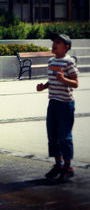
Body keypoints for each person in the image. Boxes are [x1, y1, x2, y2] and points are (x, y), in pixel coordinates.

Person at [36, 34, 79, 180]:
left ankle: (68, 167)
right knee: (52, 136)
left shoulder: (69, 62)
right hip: (53, 102)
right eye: (54, 41)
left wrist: (63, 79)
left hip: (65, 104)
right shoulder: (51, 61)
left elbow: (75, 83)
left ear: (66, 47)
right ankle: (58, 165)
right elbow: (52, 80)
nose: (54, 44)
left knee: (64, 136)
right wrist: (44, 86)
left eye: (58, 42)